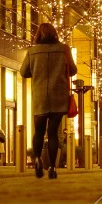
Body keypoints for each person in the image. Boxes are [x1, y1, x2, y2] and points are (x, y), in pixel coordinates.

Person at [20, 23, 77, 180]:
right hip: (58, 96)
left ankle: (37, 159)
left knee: (38, 131)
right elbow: (73, 70)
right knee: (53, 133)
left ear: (39, 35)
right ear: (54, 33)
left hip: (40, 97)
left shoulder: (32, 51)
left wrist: (37, 70)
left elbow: (23, 72)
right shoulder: (64, 49)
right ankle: (52, 167)